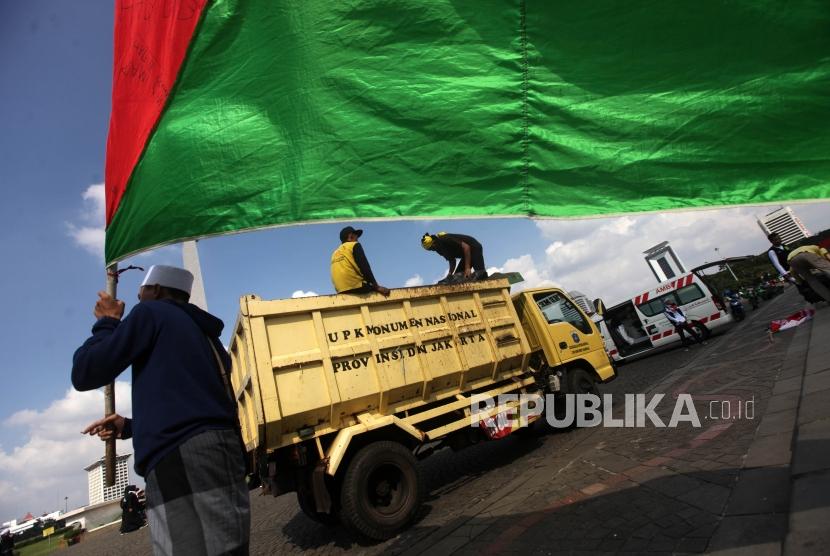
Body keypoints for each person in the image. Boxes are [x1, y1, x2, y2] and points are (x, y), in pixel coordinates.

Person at [73, 265, 250, 556]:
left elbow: (86, 370)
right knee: (228, 547)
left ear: (154, 290)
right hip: (221, 449)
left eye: (141, 291)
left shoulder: (150, 313)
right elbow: (194, 404)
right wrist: (129, 426)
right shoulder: (208, 337)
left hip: (179, 456)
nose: (137, 298)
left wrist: (107, 322)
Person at [331, 226, 390, 295]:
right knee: (381, 290)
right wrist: (376, 286)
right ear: (350, 236)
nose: (357, 238)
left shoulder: (335, 253)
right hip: (356, 286)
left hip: (340, 290)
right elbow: (365, 267)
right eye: (356, 235)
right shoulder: (354, 245)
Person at [421, 232, 488, 282]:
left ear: (434, 243)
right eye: (429, 249)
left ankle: (482, 275)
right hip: (466, 255)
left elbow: (466, 247)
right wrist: (449, 275)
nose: (432, 250)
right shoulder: (439, 250)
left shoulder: (445, 239)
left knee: (480, 274)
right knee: (457, 277)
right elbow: (452, 260)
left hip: (474, 247)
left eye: (431, 248)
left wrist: (467, 268)